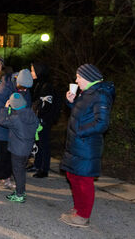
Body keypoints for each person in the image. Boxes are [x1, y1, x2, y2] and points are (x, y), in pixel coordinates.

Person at [59, 64, 115, 228]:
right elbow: (82, 113)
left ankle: (83, 216)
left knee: (84, 180)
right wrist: (71, 102)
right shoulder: (87, 92)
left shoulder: (101, 95)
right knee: (73, 176)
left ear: (89, 78)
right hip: (77, 144)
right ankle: (78, 209)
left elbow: (102, 123)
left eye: (79, 77)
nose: (76, 80)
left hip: (86, 145)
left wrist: (80, 132)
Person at [0, 69, 33, 195]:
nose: (24, 91)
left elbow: (27, 105)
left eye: (26, 89)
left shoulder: (25, 88)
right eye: (23, 88)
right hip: (0, 126)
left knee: (12, 154)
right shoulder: (3, 89)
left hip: (14, 125)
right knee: (2, 154)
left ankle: (7, 179)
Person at [0, 93, 39, 203]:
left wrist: (5, 108)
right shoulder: (31, 113)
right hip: (27, 147)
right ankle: (21, 190)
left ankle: (20, 194)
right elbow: (36, 125)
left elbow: (2, 121)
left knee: (18, 172)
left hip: (18, 149)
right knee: (21, 170)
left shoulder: (15, 118)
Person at [27, 62, 60, 178]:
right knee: (37, 143)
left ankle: (44, 168)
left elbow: (47, 104)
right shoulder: (39, 84)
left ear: (39, 71)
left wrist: (40, 115)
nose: (31, 73)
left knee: (43, 144)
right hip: (39, 119)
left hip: (44, 120)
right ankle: (37, 164)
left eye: (33, 70)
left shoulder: (47, 86)